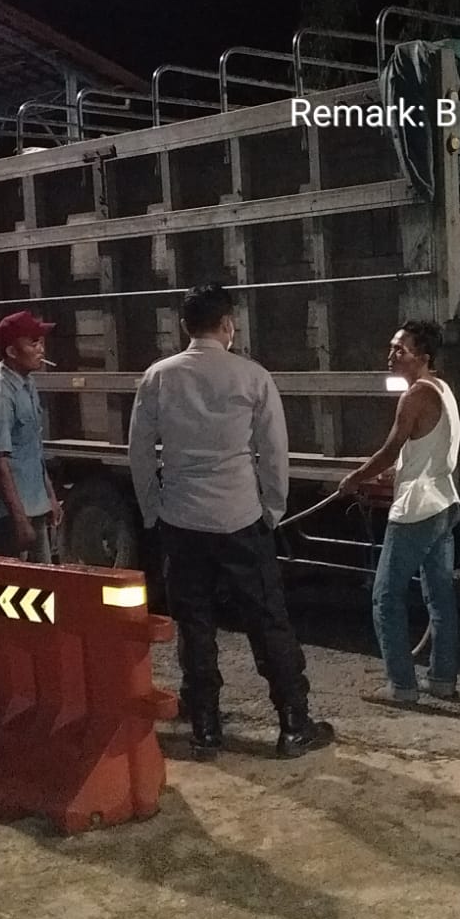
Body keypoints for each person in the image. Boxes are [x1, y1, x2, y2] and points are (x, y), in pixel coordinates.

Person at [128, 284, 334, 761]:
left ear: (185, 326)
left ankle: (205, 727)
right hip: (241, 518)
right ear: (227, 324)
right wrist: (273, 509)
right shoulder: (253, 376)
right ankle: (293, 724)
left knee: (195, 625)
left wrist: (152, 508)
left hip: (181, 521)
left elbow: (139, 452)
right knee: (268, 622)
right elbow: (274, 452)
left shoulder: (158, 377)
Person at [338, 320, 460, 704]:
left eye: (400, 350)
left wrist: (355, 478)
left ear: (422, 356)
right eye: (392, 347)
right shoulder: (442, 389)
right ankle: (442, 680)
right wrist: (402, 468)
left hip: (415, 510)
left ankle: (401, 686)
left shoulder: (415, 396)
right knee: (440, 599)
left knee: (385, 598)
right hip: (444, 501)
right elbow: (427, 446)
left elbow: (390, 449)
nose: (391, 355)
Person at [0, 310, 63, 562]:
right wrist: (19, 519)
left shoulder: (27, 385)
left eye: (41, 342)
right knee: (10, 581)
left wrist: (49, 497)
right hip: (10, 514)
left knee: (41, 580)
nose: (41, 350)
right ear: (12, 352)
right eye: (33, 343)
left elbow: (32, 451)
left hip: (33, 506)